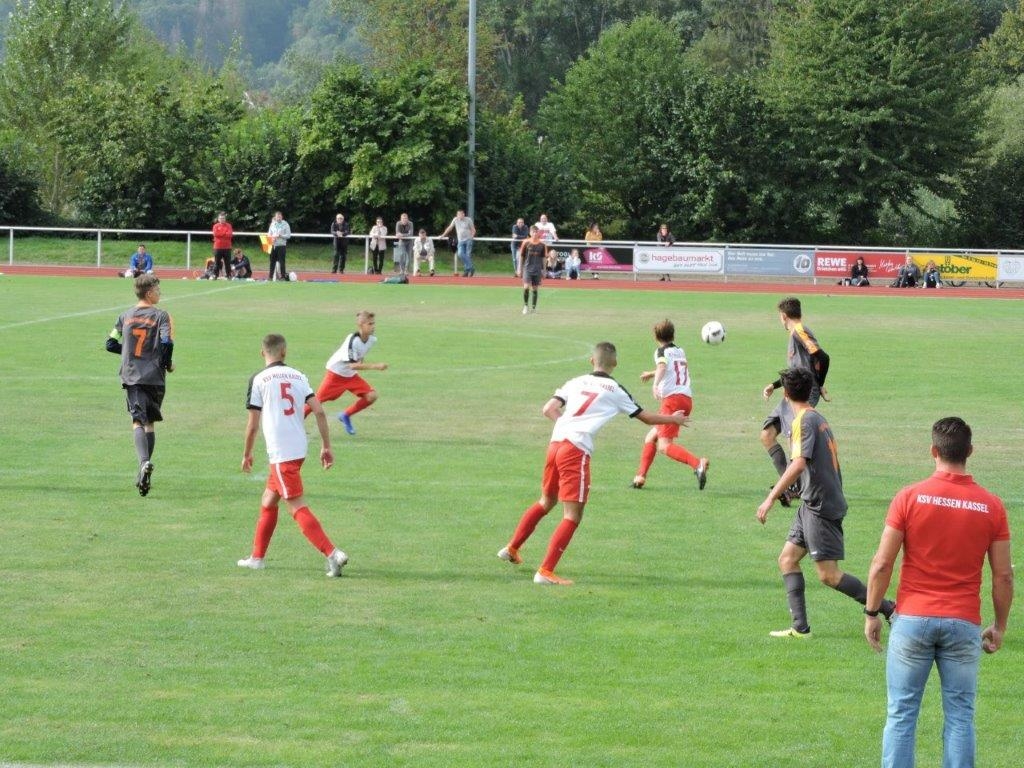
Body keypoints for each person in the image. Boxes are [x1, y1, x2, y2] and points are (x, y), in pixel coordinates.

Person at [864, 417, 1012, 767]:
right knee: (960, 715)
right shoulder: (991, 506)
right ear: (970, 452)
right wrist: (1000, 625)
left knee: (902, 713)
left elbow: (882, 564)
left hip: (913, 618)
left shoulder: (909, 497)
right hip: (963, 621)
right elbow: (1003, 576)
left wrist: (871, 612)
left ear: (933, 451)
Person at [497, 341, 689, 585]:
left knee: (546, 501)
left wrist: (566, 426)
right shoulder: (615, 389)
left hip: (555, 444)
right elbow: (647, 418)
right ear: (615, 363)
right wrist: (673, 419)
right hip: (575, 450)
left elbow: (548, 409)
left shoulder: (575, 381)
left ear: (591, 361)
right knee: (573, 515)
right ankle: (545, 572)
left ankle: (512, 548)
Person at [756, 367, 895, 637]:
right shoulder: (816, 417)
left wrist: (770, 498)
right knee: (787, 559)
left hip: (820, 505)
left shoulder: (803, 422)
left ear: (786, 395)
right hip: (813, 501)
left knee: (829, 575)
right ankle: (800, 628)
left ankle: (890, 609)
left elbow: (799, 464)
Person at [237, 333, 349, 577]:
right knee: (269, 500)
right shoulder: (299, 376)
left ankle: (333, 553)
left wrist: (247, 454)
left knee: (295, 505)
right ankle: (257, 558)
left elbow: (252, 425)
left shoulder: (258, 379)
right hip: (298, 449)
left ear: (262, 352)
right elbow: (319, 411)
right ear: (284, 352)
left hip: (281, 453)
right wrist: (326, 446)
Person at [104, 274, 175, 497]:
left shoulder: (124, 316)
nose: (160, 293)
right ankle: (143, 469)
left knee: (137, 421)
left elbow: (110, 343)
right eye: (158, 290)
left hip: (133, 375)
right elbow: (166, 342)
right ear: (149, 293)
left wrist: (128, 352)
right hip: (154, 375)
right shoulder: (161, 316)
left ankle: (143, 463)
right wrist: (167, 363)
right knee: (150, 423)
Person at [760, 297, 830, 506]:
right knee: (767, 435)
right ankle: (793, 485)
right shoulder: (795, 334)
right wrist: (775, 385)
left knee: (796, 442)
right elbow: (798, 370)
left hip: (803, 394)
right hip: (790, 393)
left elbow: (823, 357)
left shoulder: (799, 331)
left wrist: (819, 384)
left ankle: (798, 487)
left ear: (783, 316)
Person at [631, 319, 709, 491]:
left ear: (655, 337)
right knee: (651, 437)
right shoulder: (680, 351)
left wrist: (655, 384)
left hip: (672, 401)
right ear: (673, 335)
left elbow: (662, 366)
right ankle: (640, 477)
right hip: (686, 398)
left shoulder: (660, 351)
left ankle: (697, 464)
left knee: (664, 446)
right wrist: (651, 373)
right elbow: (671, 367)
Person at [304, 310, 388, 436]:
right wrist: (376, 366)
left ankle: (345, 415)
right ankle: (294, 424)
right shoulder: (353, 341)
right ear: (361, 325)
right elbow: (353, 365)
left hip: (350, 375)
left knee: (372, 396)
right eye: (370, 324)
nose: (373, 326)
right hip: (335, 374)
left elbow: (359, 358)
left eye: (373, 323)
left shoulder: (372, 340)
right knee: (316, 401)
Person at [517, 225, 548, 314]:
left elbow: (544, 258)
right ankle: (525, 306)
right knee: (526, 287)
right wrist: (519, 268)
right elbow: (521, 256)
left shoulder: (542, 245)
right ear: (530, 233)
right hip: (527, 268)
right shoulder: (525, 242)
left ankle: (533, 308)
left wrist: (544, 270)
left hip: (537, 269)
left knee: (535, 289)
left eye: (536, 232)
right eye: (533, 232)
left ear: (538, 233)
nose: (534, 233)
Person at [440, 209, 476, 277]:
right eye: (458, 214)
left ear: (463, 214)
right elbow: (450, 228)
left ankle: (466, 271)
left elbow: (473, 230)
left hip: (468, 240)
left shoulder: (468, 220)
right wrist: (443, 235)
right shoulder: (455, 219)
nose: (459, 216)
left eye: (460, 214)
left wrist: (471, 237)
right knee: (460, 254)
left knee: (467, 255)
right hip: (460, 241)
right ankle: (471, 268)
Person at [267, 211, 291, 281]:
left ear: (282, 217)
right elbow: (269, 234)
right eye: (277, 217)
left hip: (281, 246)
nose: (279, 218)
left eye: (280, 217)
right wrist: (272, 238)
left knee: (282, 262)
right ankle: (270, 277)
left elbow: (288, 235)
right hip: (273, 245)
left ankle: (283, 277)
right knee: (272, 262)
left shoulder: (285, 224)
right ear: (275, 217)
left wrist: (281, 236)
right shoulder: (272, 224)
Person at [211, 212, 233, 279]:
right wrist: (224, 233)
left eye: (223, 218)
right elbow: (216, 234)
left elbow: (229, 235)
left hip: (227, 247)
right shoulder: (215, 226)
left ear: (225, 219)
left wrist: (220, 234)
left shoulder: (229, 225)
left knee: (227, 263)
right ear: (218, 219)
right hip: (218, 247)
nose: (222, 219)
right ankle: (215, 275)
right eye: (220, 218)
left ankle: (229, 275)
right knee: (217, 262)